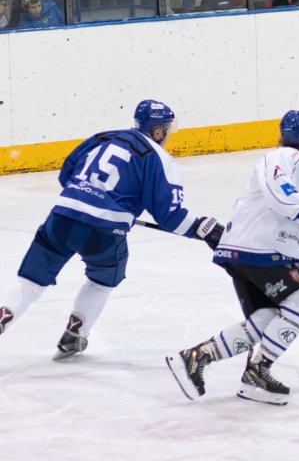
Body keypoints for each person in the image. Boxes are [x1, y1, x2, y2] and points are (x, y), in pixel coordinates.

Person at [0, 100, 225, 358]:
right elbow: (169, 217)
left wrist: (88, 194)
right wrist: (201, 228)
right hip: (105, 231)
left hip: (63, 216)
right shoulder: (159, 159)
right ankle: (76, 333)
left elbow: (67, 175)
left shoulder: (103, 137)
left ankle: (3, 314)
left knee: (29, 282)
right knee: (102, 279)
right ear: (159, 131)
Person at [166, 111, 299, 406]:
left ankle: (195, 358)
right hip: (257, 250)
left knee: (265, 318)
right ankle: (257, 371)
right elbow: (280, 193)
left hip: (251, 249)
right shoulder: (286, 157)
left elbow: (273, 218)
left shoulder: (289, 163)